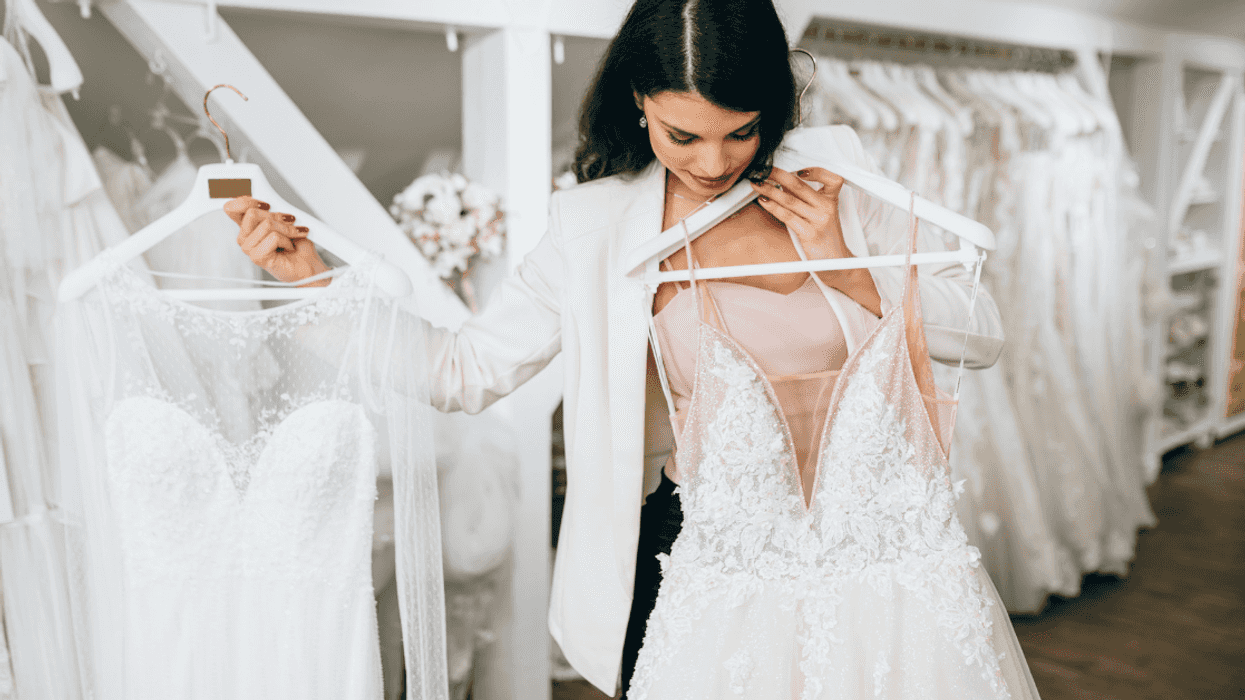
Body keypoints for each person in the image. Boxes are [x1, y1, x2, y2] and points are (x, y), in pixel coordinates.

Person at [224, 0, 1012, 696]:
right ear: (639, 102)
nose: (713, 163)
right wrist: (314, 286)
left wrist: (853, 266)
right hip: (702, 553)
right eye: (683, 135)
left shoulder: (834, 182)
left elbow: (979, 335)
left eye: (742, 131)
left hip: (868, 555)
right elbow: (461, 371)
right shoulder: (594, 227)